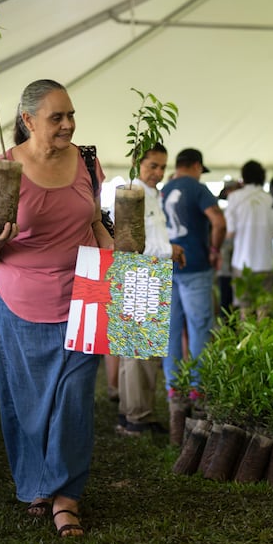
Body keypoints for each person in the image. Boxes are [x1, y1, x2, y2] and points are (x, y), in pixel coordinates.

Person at [0, 79, 113, 538]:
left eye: (71, 115)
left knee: (73, 399)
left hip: (86, 292)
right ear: (28, 120)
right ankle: (36, 483)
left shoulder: (87, 161)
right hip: (19, 298)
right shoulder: (4, 170)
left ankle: (66, 496)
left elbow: (95, 221)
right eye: (57, 117)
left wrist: (123, 262)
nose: (69, 124)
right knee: (27, 402)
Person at [101, 143, 186, 436]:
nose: (158, 173)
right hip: (137, 273)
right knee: (138, 351)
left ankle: (134, 413)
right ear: (138, 163)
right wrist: (169, 249)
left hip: (151, 273)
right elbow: (128, 242)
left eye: (163, 167)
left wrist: (167, 250)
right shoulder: (131, 193)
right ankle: (136, 416)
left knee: (139, 351)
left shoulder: (152, 193)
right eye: (153, 166)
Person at [161, 148, 226, 398]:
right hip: (195, 265)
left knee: (172, 328)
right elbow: (219, 222)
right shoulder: (198, 189)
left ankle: (173, 385)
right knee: (199, 326)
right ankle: (197, 386)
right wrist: (214, 249)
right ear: (197, 166)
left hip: (167, 264)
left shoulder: (163, 189)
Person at [224, 160, 273, 318]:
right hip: (265, 262)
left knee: (244, 311)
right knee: (264, 310)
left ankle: (245, 342)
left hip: (241, 262)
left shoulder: (234, 197)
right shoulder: (271, 199)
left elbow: (230, 232)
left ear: (244, 177)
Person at [217, 177, 241, 319]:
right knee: (225, 300)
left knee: (240, 301)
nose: (230, 194)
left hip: (240, 262)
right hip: (225, 263)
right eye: (228, 191)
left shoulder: (243, 210)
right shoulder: (222, 212)